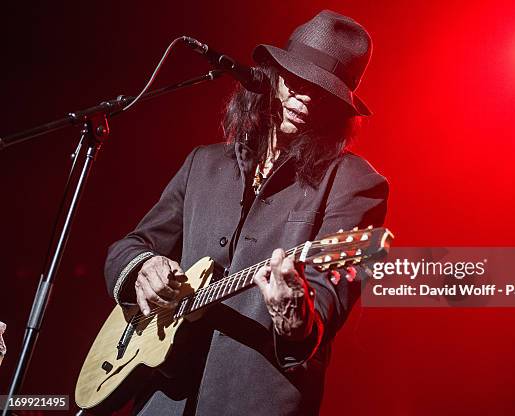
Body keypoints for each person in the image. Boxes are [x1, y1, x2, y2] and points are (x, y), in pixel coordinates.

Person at [104, 9, 388, 415]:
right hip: (161, 400)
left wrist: (295, 317)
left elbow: (325, 305)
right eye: (298, 79)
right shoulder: (203, 163)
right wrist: (142, 267)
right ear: (273, 75)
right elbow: (130, 246)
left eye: (323, 90)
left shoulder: (354, 183)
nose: (306, 96)